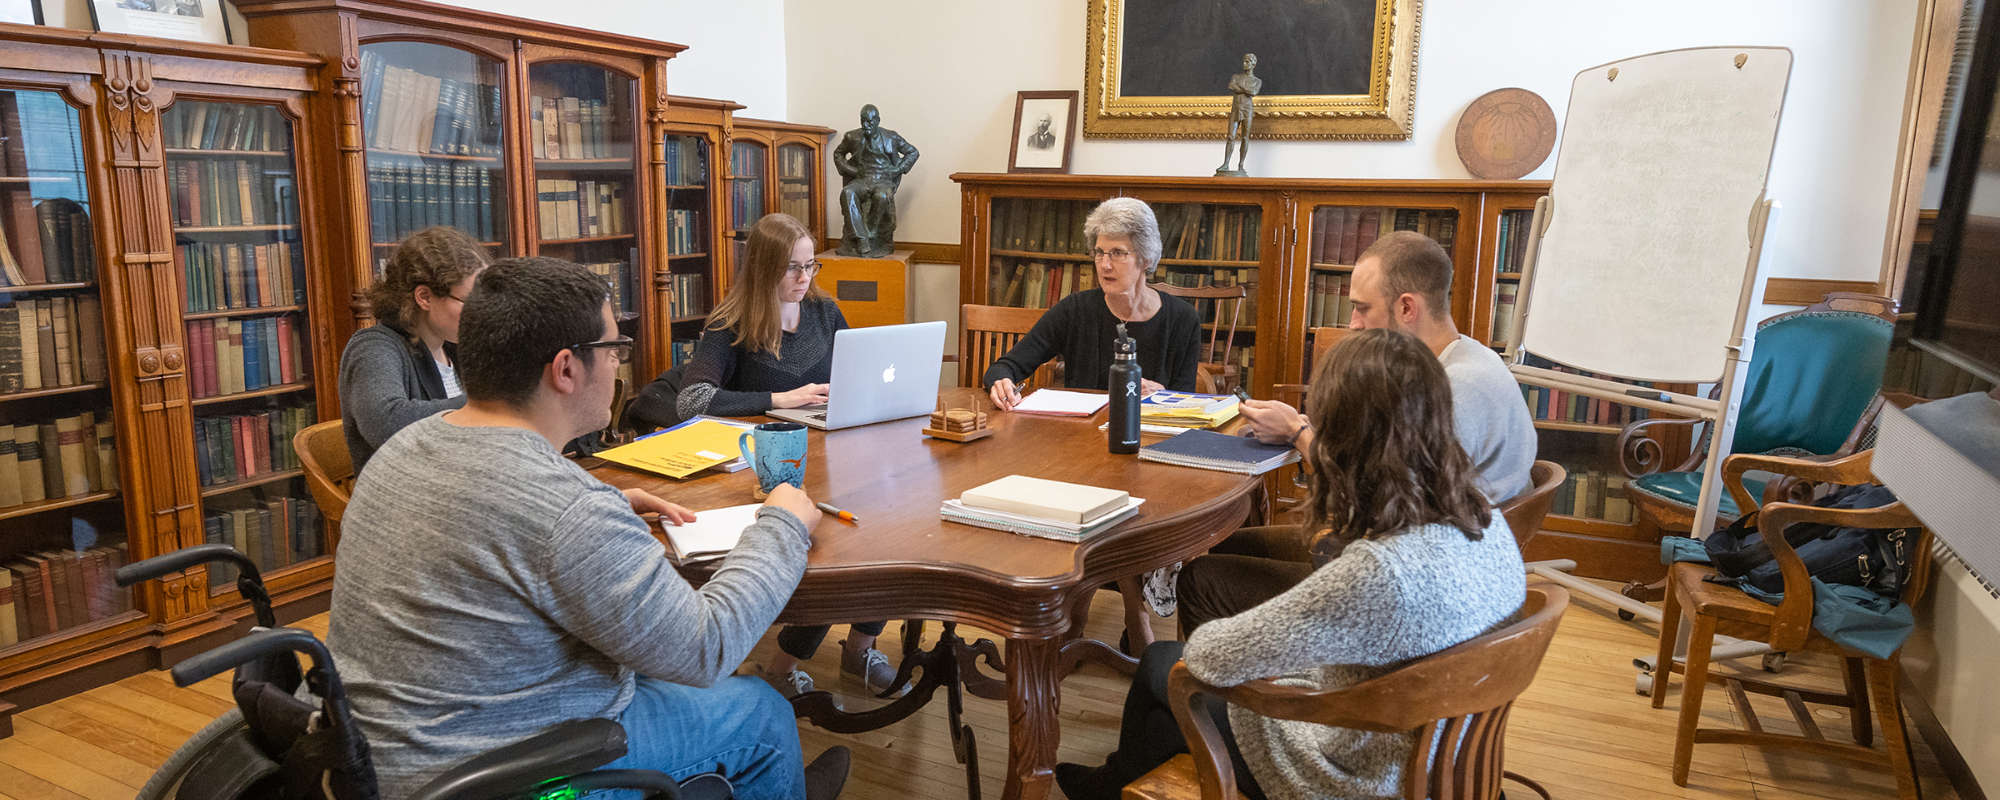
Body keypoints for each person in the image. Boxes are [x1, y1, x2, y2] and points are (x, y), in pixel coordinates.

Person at [327, 257, 850, 799]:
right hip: (500, 775)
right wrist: (783, 524)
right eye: (613, 349)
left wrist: (605, 506)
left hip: (379, 759)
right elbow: (707, 646)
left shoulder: (405, 447)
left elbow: (487, 530)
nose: (619, 366)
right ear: (566, 369)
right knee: (761, 714)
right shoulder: (563, 508)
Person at [1055, 328, 1529, 800]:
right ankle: (1114, 782)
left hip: (1361, 775)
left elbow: (1209, 659)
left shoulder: (1380, 571)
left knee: (1164, 664)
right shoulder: (1482, 518)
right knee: (1167, 714)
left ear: (1347, 437)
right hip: (1448, 761)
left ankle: (1111, 783)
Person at [1173, 229, 1537, 634]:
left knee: (1199, 579)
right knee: (1232, 542)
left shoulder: (1455, 389)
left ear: (1407, 307)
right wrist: (1303, 426)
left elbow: (1374, 493)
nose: (1353, 323)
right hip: (1427, 554)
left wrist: (1298, 432)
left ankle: (1239, 685)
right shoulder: (1464, 358)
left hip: (1412, 582)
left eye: (1362, 308)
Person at [665, 211, 901, 700]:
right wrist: (779, 399)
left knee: (884, 530)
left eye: (811, 266)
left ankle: (860, 647)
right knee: (828, 553)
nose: (804, 278)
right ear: (763, 268)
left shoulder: (822, 310)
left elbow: (853, 372)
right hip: (765, 467)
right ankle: (781, 664)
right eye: (792, 268)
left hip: (830, 449)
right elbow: (691, 401)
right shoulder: (730, 323)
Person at [984, 197, 1203, 409]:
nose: (1105, 265)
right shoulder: (1074, 310)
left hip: (1150, 437)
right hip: (1081, 438)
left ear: (1145, 258)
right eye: (1099, 252)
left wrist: (1163, 396)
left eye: (1117, 253)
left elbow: (1186, 399)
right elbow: (1006, 367)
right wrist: (1001, 381)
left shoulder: (1183, 319)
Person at [339, 226, 489, 474]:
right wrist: (489, 403)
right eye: (470, 300)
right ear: (424, 297)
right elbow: (385, 423)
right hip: (404, 503)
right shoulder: (372, 347)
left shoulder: (456, 347)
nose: (481, 311)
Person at [833, 104, 920, 258]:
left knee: (882, 196)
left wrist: (898, 169)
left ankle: (872, 234)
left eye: (870, 122)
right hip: (862, 179)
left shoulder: (891, 137)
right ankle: (861, 239)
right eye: (863, 121)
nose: (866, 125)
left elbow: (912, 152)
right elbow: (838, 154)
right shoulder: (851, 137)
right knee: (847, 193)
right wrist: (851, 170)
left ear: (878, 121)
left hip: (883, 180)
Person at [1217, 52, 1262, 176]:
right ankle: (1226, 163)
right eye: (1244, 61)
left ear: (1253, 64)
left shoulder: (1257, 81)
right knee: (1231, 136)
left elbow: (1253, 92)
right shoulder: (1236, 76)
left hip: (1248, 109)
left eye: (1247, 61)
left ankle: (1241, 165)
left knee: (1245, 137)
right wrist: (1246, 90)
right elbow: (1232, 86)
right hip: (1236, 108)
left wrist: (1241, 88)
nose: (1244, 64)